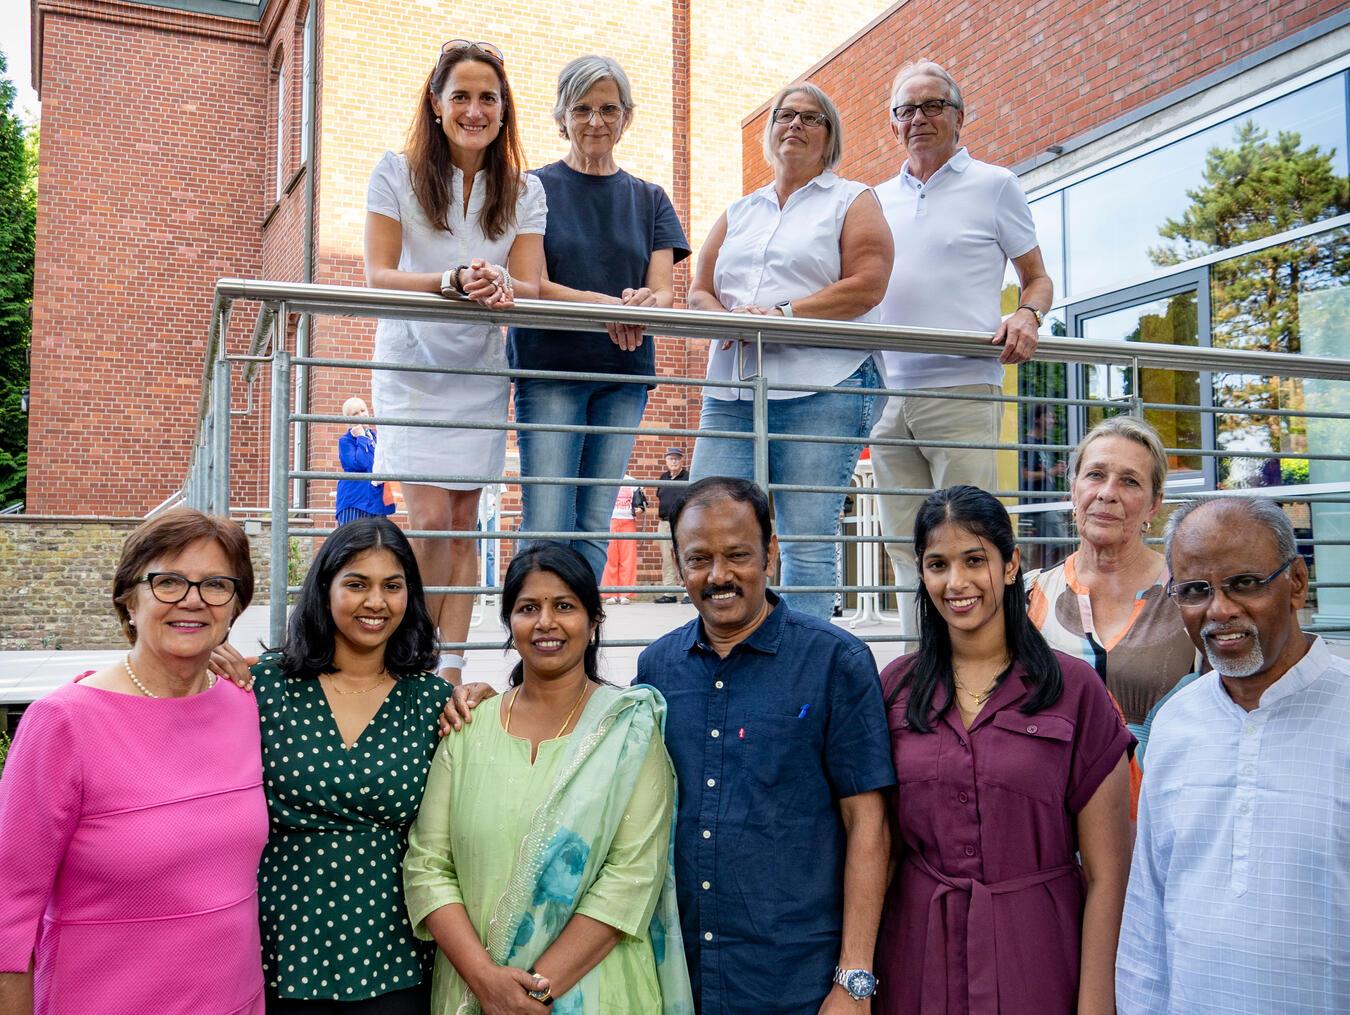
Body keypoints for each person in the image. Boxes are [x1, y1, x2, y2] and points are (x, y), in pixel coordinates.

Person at [443, 478, 895, 1012]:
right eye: (699, 558)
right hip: (680, 972)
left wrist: (854, 979)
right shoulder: (657, 670)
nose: (718, 575)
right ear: (678, 564)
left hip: (796, 975)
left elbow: (870, 824)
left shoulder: (834, 662)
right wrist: (496, 700)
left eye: (738, 555)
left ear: (770, 553)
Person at [403, 542, 693, 1013]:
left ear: (594, 620)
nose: (545, 623)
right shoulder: (467, 728)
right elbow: (427, 865)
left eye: (564, 606)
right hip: (474, 992)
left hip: (599, 991)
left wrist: (530, 993)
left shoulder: (629, 730)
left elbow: (632, 876)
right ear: (509, 623)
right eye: (527, 608)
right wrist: (487, 983)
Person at [876, 485, 1134, 1015]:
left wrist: (1096, 1003)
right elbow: (878, 846)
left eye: (975, 560)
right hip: (916, 957)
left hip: (1039, 954)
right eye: (938, 564)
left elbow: (1109, 872)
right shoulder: (894, 690)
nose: (957, 582)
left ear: (1012, 564)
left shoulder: (1075, 689)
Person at [0, 509, 267, 1014]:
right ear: (129, 600)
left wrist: (463, 692)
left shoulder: (242, 704)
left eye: (215, 584)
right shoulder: (63, 723)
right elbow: (6, 915)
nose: (192, 600)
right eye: (167, 581)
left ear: (234, 606)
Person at [1117, 497, 1350, 1014]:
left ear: (1296, 583)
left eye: (1244, 583)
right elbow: (1148, 912)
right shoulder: (1176, 724)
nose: (1220, 609)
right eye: (1196, 590)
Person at [364, 39, 546, 684]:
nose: (475, 109)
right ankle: (410, 659)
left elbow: (531, 282)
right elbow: (378, 275)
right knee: (430, 518)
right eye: (462, 95)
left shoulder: (524, 190)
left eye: (488, 98)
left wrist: (504, 288)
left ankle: (452, 668)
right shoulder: (395, 171)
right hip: (413, 365)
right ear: (437, 104)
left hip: (478, 365)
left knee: (465, 520)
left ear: (504, 111)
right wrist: (448, 282)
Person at [688, 82, 894, 621]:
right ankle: (720, 649)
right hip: (733, 388)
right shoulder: (740, 211)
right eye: (785, 115)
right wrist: (725, 319)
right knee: (710, 520)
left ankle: (804, 664)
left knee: (806, 534)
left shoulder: (852, 199)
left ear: (830, 138)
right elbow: (698, 290)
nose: (795, 125)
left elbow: (869, 283)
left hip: (822, 385)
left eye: (811, 118)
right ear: (770, 131)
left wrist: (783, 315)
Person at [869, 61, 1052, 637]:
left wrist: (1027, 313)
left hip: (962, 388)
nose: (918, 118)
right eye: (906, 109)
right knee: (904, 545)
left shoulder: (995, 184)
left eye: (932, 106)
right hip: (886, 396)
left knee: (970, 540)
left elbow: (1038, 278)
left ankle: (982, 665)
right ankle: (918, 666)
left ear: (959, 118)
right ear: (893, 123)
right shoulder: (872, 200)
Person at [238, 517, 450, 1012]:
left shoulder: (433, 702)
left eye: (392, 587)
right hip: (279, 946)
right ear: (325, 588)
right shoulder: (264, 688)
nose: (375, 602)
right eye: (356, 584)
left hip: (394, 952)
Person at [510, 55, 690, 580]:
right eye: (582, 108)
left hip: (623, 373)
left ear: (626, 117)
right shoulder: (532, 188)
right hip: (551, 370)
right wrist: (610, 306)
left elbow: (662, 294)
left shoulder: (651, 199)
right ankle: (537, 647)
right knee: (546, 520)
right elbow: (533, 284)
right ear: (562, 115)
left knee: (594, 521)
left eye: (608, 108)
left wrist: (639, 305)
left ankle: (581, 643)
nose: (595, 121)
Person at [1027, 416, 1201, 747]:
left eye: (1130, 482)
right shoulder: (1027, 595)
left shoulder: (1194, 596)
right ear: (1073, 490)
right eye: (1095, 475)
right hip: (1054, 796)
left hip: (1158, 794)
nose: (1108, 493)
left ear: (1154, 505)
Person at [1019, 403, 1068, 572]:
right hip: (1038, 506)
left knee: (1045, 547)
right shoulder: (1026, 443)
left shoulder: (1045, 444)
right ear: (1036, 419)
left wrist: (1056, 496)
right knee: (1062, 545)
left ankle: (1042, 577)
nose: (1052, 420)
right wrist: (1052, 471)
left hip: (1049, 502)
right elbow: (1024, 474)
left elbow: (1045, 475)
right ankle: (1053, 575)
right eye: (1048, 416)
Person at [336, 396, 396, 525]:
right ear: (348, 419)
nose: (361, 415)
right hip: (355, 501)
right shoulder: (346, 441)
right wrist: (361, 438)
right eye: (355, 413)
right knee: (352, 542)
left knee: (378, 542)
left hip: (376, 501)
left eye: (363, 410)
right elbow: (364, 463)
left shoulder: (378, 437)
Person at [600, 474, 646, 605]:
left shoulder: (632, 482)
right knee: (610, 558)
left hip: (628, 521)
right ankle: (610, 593)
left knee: (628, 558)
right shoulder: (608, 478)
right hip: (611, 520)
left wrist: (639, 509)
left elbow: (641, 504)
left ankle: (626, 593)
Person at [653, 447, 689, 603]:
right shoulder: (663, 477)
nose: (673, 461)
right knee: (667, 558)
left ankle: (688, 593)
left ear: (682, 460)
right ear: (666, 460)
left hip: (682, 522)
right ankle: (669, 593)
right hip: (664, 523)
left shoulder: (688, 478)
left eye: (677, 458)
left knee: (684, 556)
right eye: (670, 458)